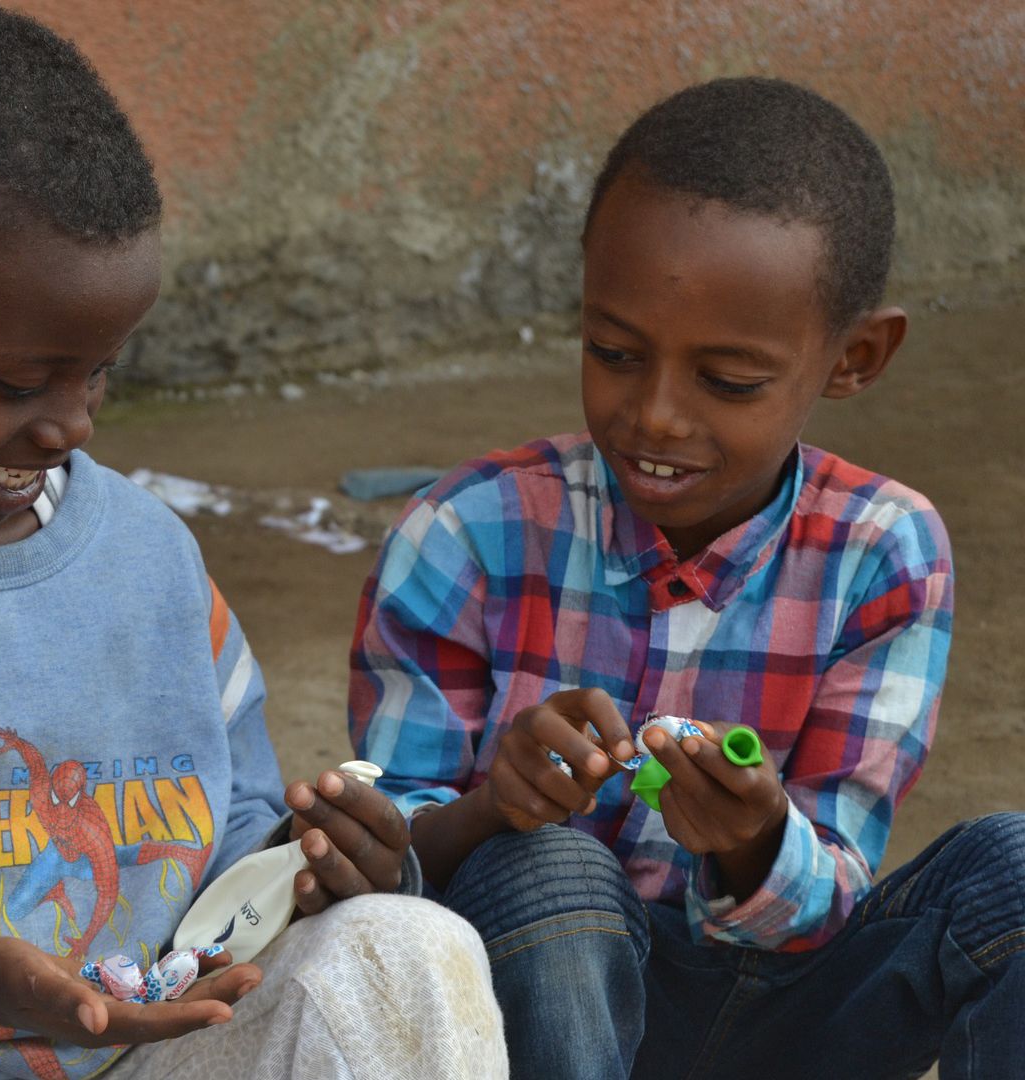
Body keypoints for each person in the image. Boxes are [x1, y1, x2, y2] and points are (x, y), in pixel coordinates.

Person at [0, 7, 505, 1079]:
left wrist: (302, 868)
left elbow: (228, 861)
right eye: (21, 383)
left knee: (406, 951)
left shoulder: (147, 560)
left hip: (159, 1057)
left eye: (101, 372)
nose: (73, 424)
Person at [350, 77, 1024, 1079]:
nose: (657, 413)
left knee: (1011, 873)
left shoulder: (886, 550)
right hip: (533, 1002)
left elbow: (835, 873)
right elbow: (379, 875)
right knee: (555, 870)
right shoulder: (467, 533)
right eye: (614, 352)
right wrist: (498, 807)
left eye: (729, 380)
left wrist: (754, 837)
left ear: (856, 357)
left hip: (786, 1014)